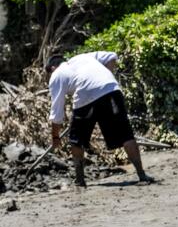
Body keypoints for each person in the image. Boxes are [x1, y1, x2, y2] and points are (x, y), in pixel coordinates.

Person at [46, 52, 154, 187]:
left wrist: (55, 137)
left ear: (52, 68)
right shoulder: (83, 57)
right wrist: (101, 83)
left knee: (77, 140)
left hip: (86, 95)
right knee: (126, 135)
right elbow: (111, 56)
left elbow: (56, 111)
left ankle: (80, 180)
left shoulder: (56, 75)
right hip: (111, 88)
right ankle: (142, 175)